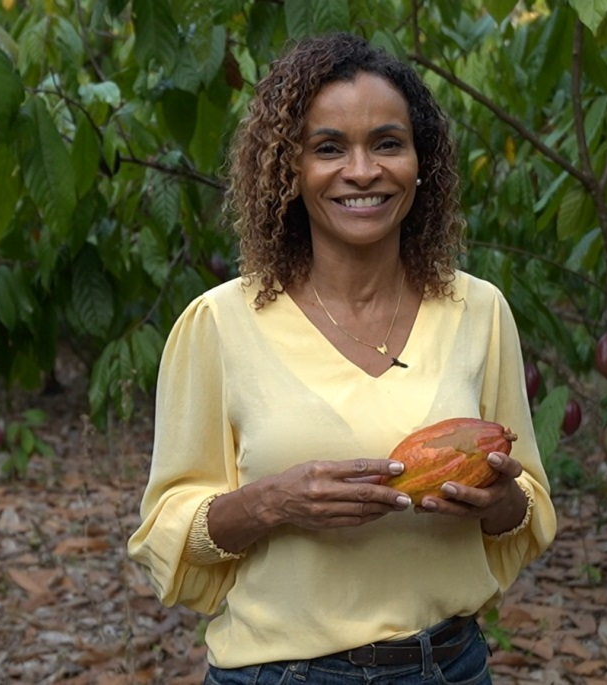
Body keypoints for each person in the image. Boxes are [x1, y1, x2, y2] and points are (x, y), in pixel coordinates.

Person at [127, 32, 557, 685]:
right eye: (329, 148)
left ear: (422, 163)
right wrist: (273, 502)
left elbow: (525, 504)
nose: (362, 171)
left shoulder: (478, 311)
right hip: (279, 672)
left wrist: (494, 500)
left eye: (387, 143)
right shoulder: (221, 323)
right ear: (288, 169)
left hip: (448, 667)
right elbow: (164, 529)